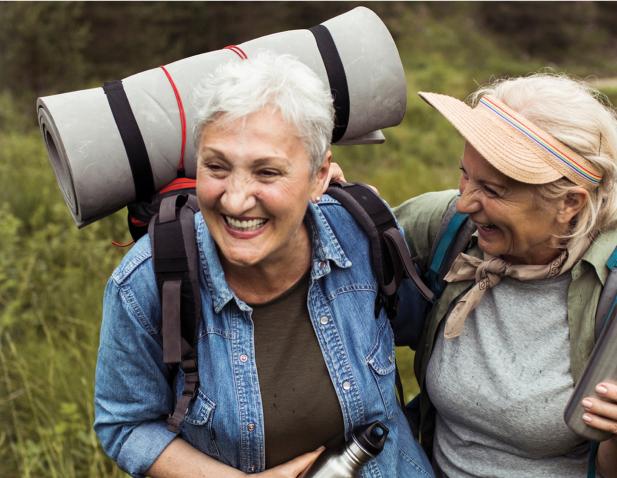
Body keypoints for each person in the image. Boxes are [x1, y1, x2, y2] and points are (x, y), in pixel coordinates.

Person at [93, 52, 433, 478]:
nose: (235, 200)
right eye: (216, 167)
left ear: (319, 176)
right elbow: (125, 423)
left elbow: (429, 337)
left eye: (267, 173)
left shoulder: (363, 234)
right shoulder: (147, 282)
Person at [388, 74, 617, 477]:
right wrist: (322, 195)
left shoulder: (609, 291)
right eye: (464, 174)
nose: (465, 202)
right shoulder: (450, 230)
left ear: (569, 203)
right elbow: (334, 253)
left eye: (492, 191)